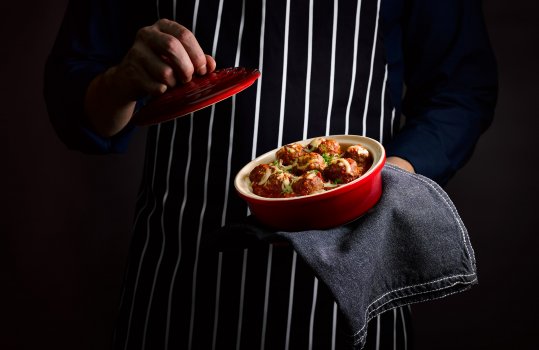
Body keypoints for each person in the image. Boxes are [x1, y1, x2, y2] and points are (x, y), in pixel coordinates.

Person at [44, 0, 497, 349]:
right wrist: (121, 81)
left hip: (348, 293)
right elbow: (73, 102)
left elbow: (459, 89)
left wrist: (380, 181)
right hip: (179, 280)